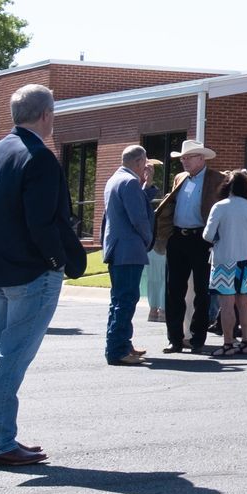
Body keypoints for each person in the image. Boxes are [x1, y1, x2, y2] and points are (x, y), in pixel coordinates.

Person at [0, 84, 85, 467]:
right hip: (32, 272)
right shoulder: (38, 156)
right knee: (11, 356)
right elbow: (42, 222)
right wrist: (57, 260)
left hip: (0, 269)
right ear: (46, 115)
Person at [153, 139, 227, 355]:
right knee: (173, 290)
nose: (183, 161)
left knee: (202, 291)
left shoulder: (218, 179)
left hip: (201, 239)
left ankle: (197, 338)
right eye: (182, 158)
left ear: (201, 158)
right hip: (178, 237)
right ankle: (175, 339)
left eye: (188, 157)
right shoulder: (180, 178)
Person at [98, 145, 154, 365]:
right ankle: (118, 349)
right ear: (139, 162)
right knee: (126, 300)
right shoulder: (129, 182)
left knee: (119, 300)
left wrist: (146, 186)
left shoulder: (115, 179)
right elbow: (139, 218)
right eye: (145, 162)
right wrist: (147, 239)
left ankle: (122, 343)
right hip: (129, 250)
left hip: (116, 248)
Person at [203, 171, 247, 356]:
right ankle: (245, 341)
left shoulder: (220, 206)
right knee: (244, 303)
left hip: (224, 260)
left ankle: (228, 343)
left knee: (226, 304)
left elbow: (208, 235)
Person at [141, 158, 166, 324]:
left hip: (152, 247)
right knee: (163, 279)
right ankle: (161, 310)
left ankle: (154, 310)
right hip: (161, 248)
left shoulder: (153, 212)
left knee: (154, 280)